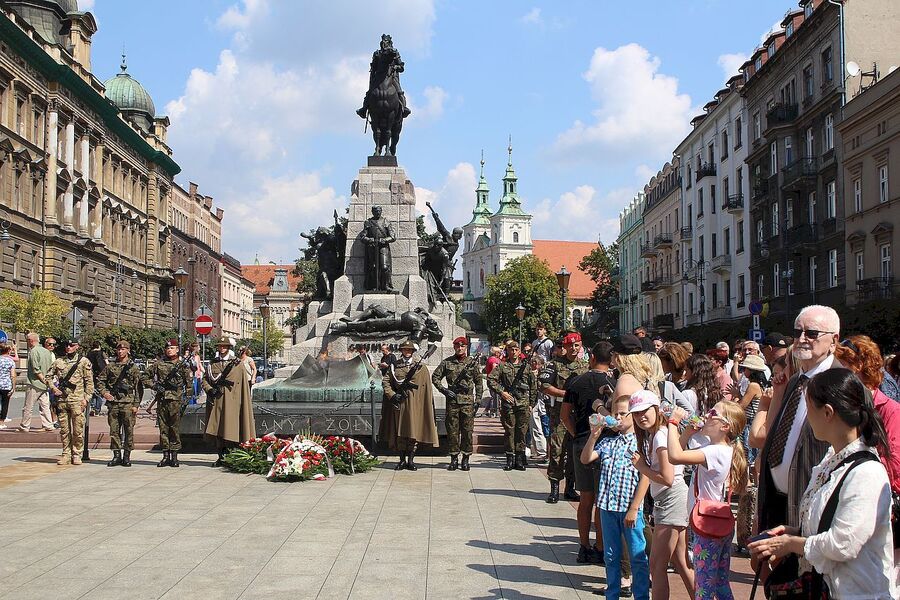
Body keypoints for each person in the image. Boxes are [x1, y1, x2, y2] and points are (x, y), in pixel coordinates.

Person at [749, 369, 896, 599]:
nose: (806, 418)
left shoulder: (866, 473)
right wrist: (793, 532)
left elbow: (842, 544)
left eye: (808, 409)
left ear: (828, 413)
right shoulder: (831, 459)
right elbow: (829, 524)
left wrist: (790, 543)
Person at [758, 305, 842, 533]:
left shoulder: (841, 384)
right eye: (797, 333)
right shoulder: (795, 381)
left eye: (812, 334)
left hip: (812, 508)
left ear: (833, 341)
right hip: (777, 502)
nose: (802, 339)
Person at [834, 335, 900, 582]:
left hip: (878, 507)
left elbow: (894, 463)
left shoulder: (889, 409)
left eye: (842, 365)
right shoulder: (843, 407)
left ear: (858, 367)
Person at [668, 401, 748, 600]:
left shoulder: (714, 452)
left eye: (713, 413)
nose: (707, 415)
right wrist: (687, 432)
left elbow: (674, 456)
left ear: (725, 426)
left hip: (706, 525)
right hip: (719, 522)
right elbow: (681, 449)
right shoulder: (721, 449)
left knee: (703, 585)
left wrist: (672, 422)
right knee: (720, 582)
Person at [580, 393, 651, 600]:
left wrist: (634, 508)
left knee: (637, 556)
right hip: (607, 507)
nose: (618, 418)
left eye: (623, 414)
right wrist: (594, 436)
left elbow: (645, 477)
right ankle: (612, 594)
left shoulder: (639, 443)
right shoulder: (609, 442)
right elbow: (586, 458)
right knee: (611, 556)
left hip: (629, 509)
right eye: (615, 414)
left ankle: (641, 595)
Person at [629, 390, 694, 600]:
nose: (641, 417)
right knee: (681, 562)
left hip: (671, 498)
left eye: (645, 411)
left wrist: (641, 467)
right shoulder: (662, 433)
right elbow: (676, 459)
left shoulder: (659, 435)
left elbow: (666, 477)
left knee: (656, 566)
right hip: (672, 497)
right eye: (636, 414)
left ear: (656, 409)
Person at [563, 341, 616, 564]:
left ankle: (583, 546)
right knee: (601, 501)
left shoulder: (576, 382)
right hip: (607, 445)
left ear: (592, 357)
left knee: (586, 498)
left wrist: (578, 435)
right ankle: (601, 547)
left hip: (583, 442)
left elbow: (565, 415)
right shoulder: (614, 384)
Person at [540, 332, 589, 503]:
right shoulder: (554, 365)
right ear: (564, 347)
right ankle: (554, 488)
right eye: (570, 345)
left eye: (577, 345)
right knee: (557, 450)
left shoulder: (585, 367)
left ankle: (570, 488)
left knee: (575, 452)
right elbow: (545, 386)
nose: (573, 349)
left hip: (579, 416)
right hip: (559, 415)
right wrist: (567, 394)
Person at [381, 340, 438, 470]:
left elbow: (426, 387)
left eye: (409, 350)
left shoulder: (420, 367)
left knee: (413, 432)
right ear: (401, 351)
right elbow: (386, 382)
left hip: (415, 405)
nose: (407, 352)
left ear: (413, 351)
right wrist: (393, 395)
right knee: (400, 432)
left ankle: (411, 460)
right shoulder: (395, 366)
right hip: (400, 403)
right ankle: (401, 460)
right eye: (405, 349)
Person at [433, 336, 483, 472]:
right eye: (457, 346)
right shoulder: (447, 362)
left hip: (467, 402)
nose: (459, 348)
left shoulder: (472, 363)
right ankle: (453, 458)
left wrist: (478, 400)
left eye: (462, 346)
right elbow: (435, 377)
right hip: (453, 402)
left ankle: (466, 458)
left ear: (466, 347)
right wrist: (444, 390)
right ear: (454, 347)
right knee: (453, 432)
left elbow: (479, 383)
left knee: (467, 432)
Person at [204, 337, 255, 467]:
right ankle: (220, 456)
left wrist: (239, 400)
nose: (222, 348)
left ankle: (231, 455)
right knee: (217, 429)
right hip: (216, 400)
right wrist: (209, 390)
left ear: (228, 348)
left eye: (224, 346)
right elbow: (205, 380)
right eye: (220, 346)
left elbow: (241, 383)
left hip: (232, 401)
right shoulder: (212, 363)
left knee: (230, 428)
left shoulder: (237, 364)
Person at [488, 341, 536, 472]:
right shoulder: (502, 366)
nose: (513, 352)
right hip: (508, 403)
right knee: (510, 431)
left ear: (519, 351)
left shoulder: (526, 367)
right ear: (507, 351)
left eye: (515, 349)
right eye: (511, 349)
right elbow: (490, 379)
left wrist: (531, 404)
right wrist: (502, 392)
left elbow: (533, 386)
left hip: (523, 403)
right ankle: (510, 458)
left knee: (522, 431)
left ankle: (519, 459)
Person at [143, 339, 192, 467]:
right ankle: (165, 455)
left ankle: (174, 456)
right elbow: (144, 377)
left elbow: (189, 385)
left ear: (177, 350)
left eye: (172, 348)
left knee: (174, 429)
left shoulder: (182, 365)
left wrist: (186, 400)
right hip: (162, 400)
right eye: (168, 348)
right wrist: (154, 386)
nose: (169, 350)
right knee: (163, 428)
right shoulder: (159, 364)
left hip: (176, 400)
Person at [47, 340, 94, 465]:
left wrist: (86, 398)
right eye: (67, 346)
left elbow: (89, 382)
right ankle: (66, 454)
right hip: (62, 400)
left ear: (77, 347)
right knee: (64, 429)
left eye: (71, 345)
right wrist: (53, 388)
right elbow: (48, 376)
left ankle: (77, 453)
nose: (68, 348)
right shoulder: (59, 361)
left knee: (78, 430)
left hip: (77, 400)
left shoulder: (83, 362)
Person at [96, 341, 141, 467]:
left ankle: (127, 456)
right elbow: (100, 381)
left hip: (128, 403)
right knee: (114, 430)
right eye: (118, 349)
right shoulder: (110, 367)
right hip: (114, 403)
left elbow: (138, 388)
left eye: (123, 349)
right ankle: (116, 455)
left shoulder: (133, 367)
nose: (120, 351)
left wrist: (136, 404)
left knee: (129, 430)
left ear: (128, 350)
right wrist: (105, 393)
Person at [19, 333, 55, 432]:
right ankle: (48, 425)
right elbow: (50, 367)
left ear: (31, 340)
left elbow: (36, 369)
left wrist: (42, 379)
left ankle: (25, 426)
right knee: (45, 406)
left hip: (34, 383)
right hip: (45, 384)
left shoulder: (34, 351)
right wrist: (47, 381)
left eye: (27, 340)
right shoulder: (47, 352)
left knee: (28, 406)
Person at [361, 206, 396, 292]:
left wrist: (384, 240)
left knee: (384, 267)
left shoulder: (386, 221)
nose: (378, 212)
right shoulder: (368, 222)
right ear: (372, 212)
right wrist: (369, 239)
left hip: (383, 247)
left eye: (379, 211)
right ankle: (373, 286)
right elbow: (362, 237)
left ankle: (386, 286)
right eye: (375, 211)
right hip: (372, 247)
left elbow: (393, 236)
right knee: (373, 267)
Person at [528, 354, 548, 463]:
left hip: (543, 403)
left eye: (537, 363)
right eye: (533, 363)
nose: (534, 366)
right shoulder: (529, 374)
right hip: (535, 403)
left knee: (544, 428)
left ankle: (543, 452)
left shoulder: (545, 375)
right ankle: (540, 451)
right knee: (535, 427)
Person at [85, 340, 107, 416]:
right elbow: (107, 363)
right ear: (99, 346)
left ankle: (93, 408)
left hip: (91, 374)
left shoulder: (89, 354)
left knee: (93, 392)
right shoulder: (102, 353)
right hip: (101, 374)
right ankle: (97, 410)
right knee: (100, 392)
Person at [0, 343, 16, 428]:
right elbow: (13, 375)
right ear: (8, 351)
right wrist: (13, 387)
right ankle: (1, 422)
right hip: (6, 385)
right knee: (5, 404)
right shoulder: (10, 361)